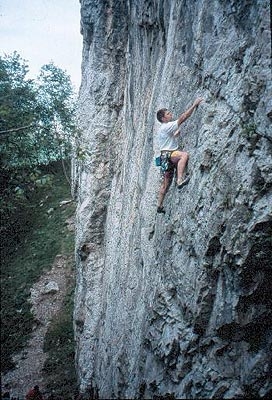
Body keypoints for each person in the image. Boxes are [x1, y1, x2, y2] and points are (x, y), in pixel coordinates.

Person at [156, 97, 203, 214]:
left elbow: (166, 140)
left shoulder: (162, 129)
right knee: (184, 155)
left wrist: (174, 135)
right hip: (170, 155)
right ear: (163, 118)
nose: (170, 114)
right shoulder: (167, 126)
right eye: (168, 113)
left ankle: (159, 205)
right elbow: (183, 118)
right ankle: (180, 180)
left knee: (165, 185)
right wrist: (194, 105)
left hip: (164, 157)